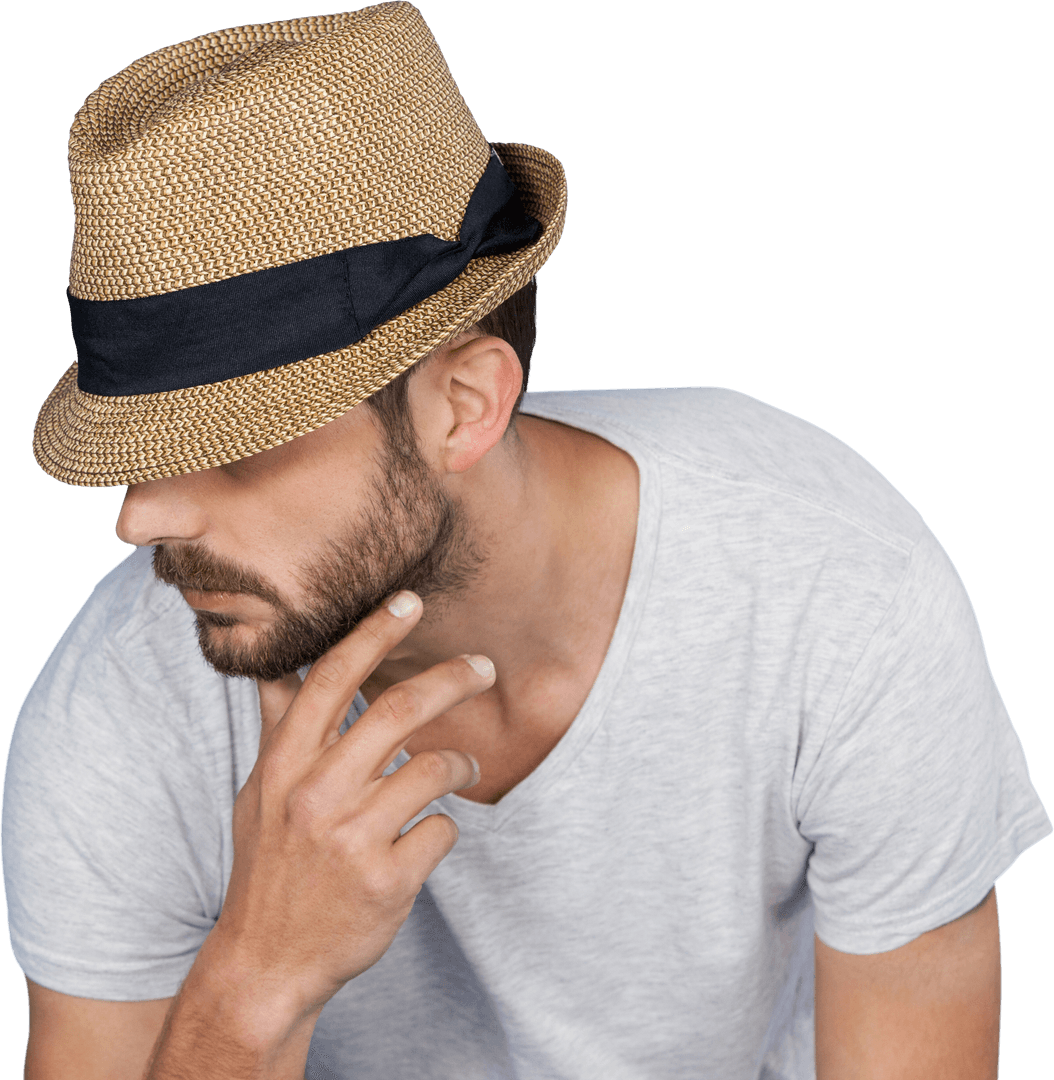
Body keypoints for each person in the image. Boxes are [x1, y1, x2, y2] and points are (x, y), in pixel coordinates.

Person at [3, 4, 1049, 1078]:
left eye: (240, 444)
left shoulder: (832, 596)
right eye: (141, 445)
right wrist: (256, 979)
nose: (141, 520)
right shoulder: (126, 700)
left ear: (462, 404)